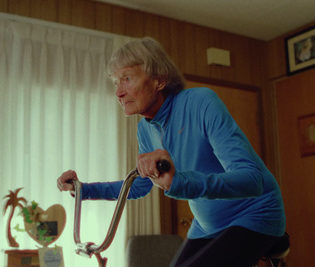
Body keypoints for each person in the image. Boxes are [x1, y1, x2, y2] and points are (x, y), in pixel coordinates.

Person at [57, 37, 286, 267]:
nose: (118, 93)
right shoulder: (145, 129)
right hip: (207, 225)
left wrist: (180, 181)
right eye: (116, 82)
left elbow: (252, 179)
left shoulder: (201, 103)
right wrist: (83, 190)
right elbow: (138, 185)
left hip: (255, 213)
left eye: (127, 78)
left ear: (159, 80)